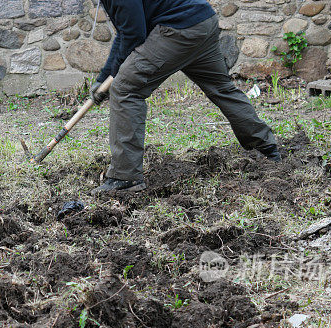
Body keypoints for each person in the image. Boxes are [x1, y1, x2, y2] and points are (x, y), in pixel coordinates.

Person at [91, 0, 282, 194]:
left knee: (125, 89)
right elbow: (125, 32)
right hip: (202, 21)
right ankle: (266, 147)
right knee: (221, 88)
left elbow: (134, 34)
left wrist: (112, 76)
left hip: (178, 28)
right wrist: (104, 77)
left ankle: (125, 177)